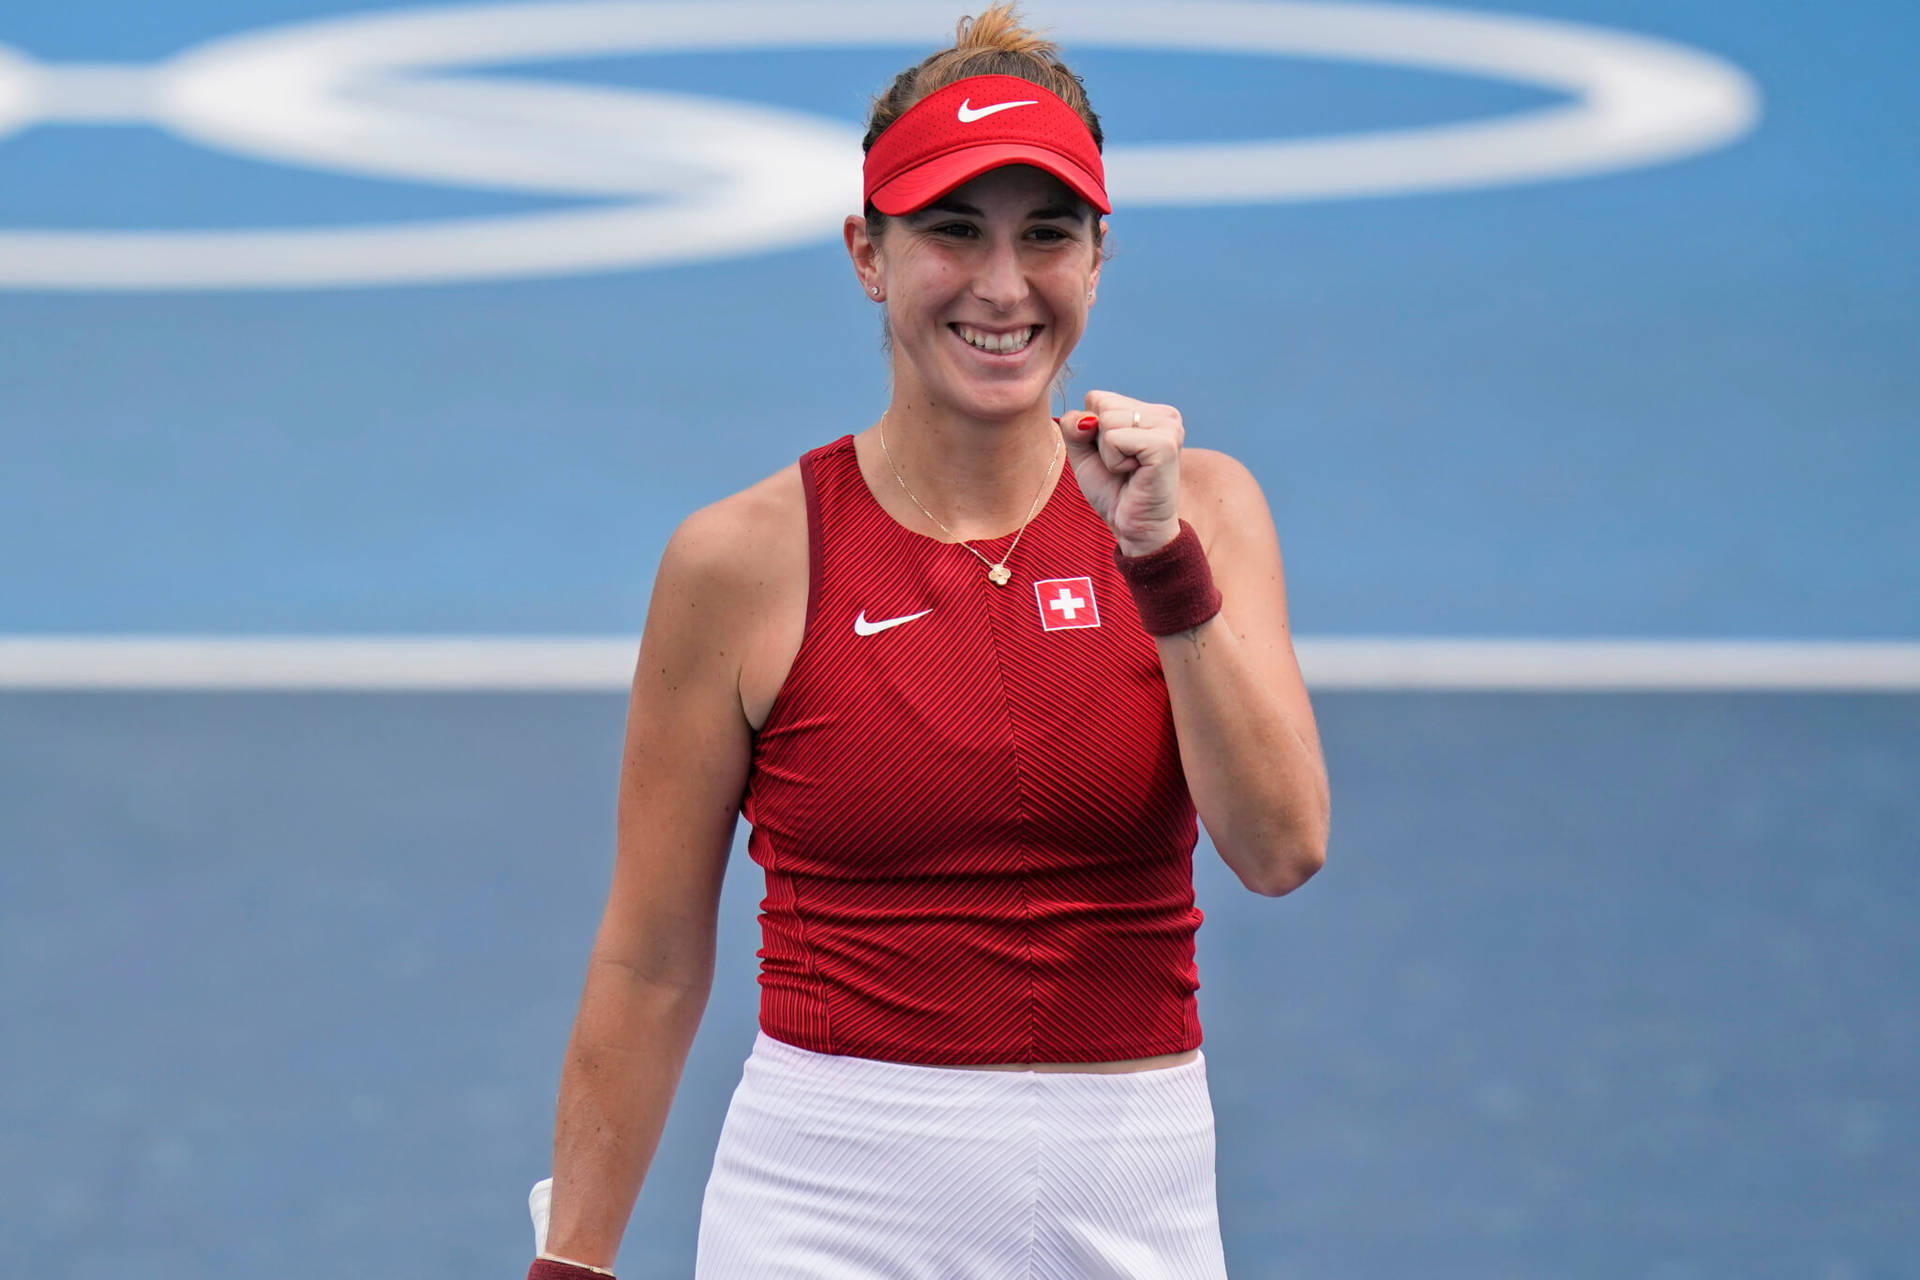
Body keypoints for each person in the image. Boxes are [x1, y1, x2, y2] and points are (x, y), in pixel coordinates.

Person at [526, 5, 1329, 1277]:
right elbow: (650, 953)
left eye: (1046, 236)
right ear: (869, 253)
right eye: (953, 232)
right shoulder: (741, 560)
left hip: (1136, 1198)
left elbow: (1281, 847)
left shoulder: (1206, 514)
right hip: (826, 1203)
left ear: (1099, 256)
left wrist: (1161, 563)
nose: (1002, 286)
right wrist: (569, 1263)